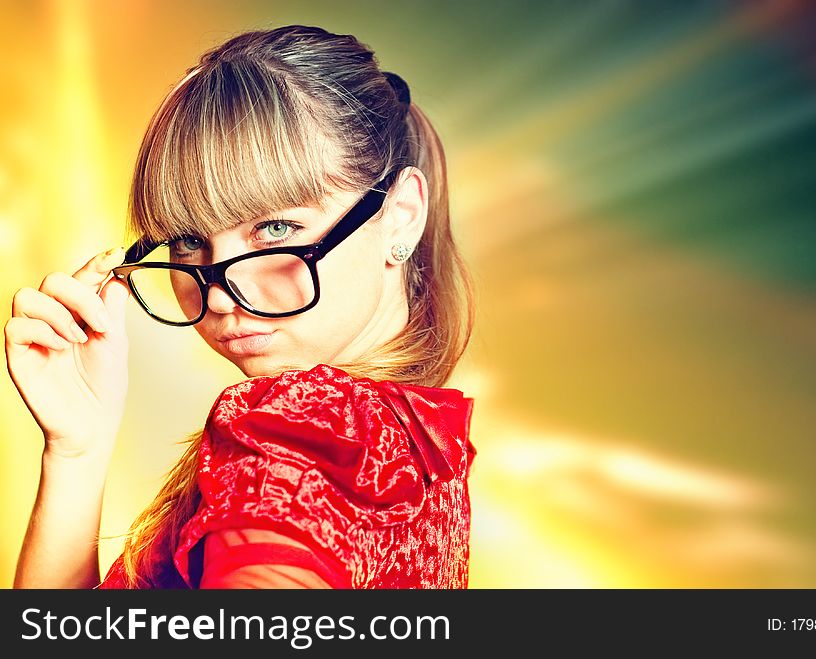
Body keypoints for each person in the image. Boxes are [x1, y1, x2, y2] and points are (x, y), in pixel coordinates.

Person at [5, 24, 475, 589]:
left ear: (400, 213)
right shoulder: (414, 440)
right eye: (187, 240)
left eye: (276, 229)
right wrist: (78, 450)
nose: (221, 295)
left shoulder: (305, 428)